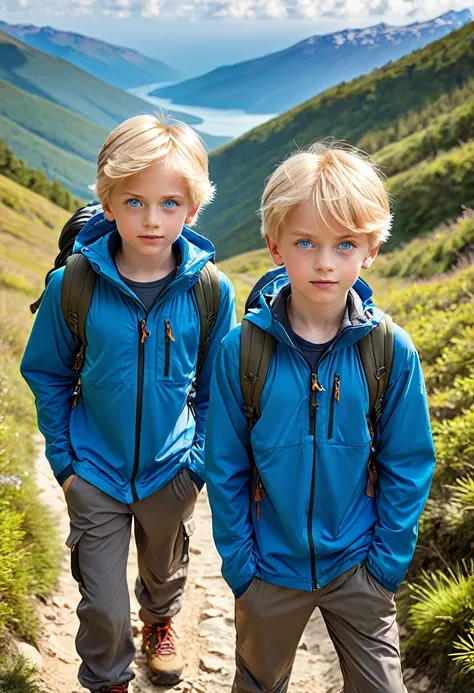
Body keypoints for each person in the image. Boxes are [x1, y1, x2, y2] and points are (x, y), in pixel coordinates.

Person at [205, 142, 436, 693]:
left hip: (359, 565)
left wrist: (385, 565)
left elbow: (408, 463)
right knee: (259, 684)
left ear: (371, 250)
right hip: (269, 569)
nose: (325, 262)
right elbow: (225, 465)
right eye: (305, 242)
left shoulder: (389, 351)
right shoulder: (242, 351)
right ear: (275, 246)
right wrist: (243, 565)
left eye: (345, 244)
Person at [21, 114, 235, 693]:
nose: (151, 218)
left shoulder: (211, 289)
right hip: (94, 471)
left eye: (170, 203)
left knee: (165, 572)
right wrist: (67, 468)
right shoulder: (77, 283)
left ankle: (160, 620)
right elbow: (46, 373)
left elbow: (220, 390)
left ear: (193, 209)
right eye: (134, 201)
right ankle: (108, 678)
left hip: (172, 470)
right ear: (107, 201)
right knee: (102, 601)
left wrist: (195, 466)